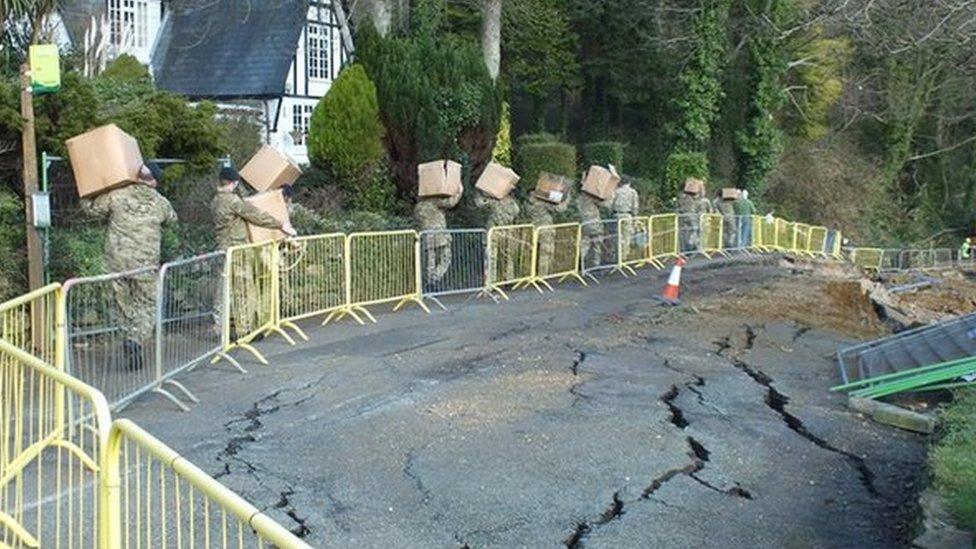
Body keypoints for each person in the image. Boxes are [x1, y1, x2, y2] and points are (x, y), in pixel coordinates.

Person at [80, 162, 177, 370]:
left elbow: (91, 210)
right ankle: (136, 338)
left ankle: (127, 334)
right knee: (147, 303)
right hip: (145, 263)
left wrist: (88, 190)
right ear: (155, 181)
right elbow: (172, 220)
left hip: (116, 261)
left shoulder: (116, 196)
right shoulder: (161, 203)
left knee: (121, 303)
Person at [211, 167, 295, 339]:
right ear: (233, 184)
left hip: (223, 249)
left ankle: (220, 329)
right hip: (238, 250)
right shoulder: (233, 201)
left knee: (224, 292)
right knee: (243, 290)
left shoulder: (216, 201)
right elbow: (255, 214)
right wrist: (280, 224)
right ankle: (245, 332)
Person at [415, 184, 464, 283]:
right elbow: (451, 202)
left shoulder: (418, 207)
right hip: (440, 234)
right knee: (446, 257)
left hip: (426, 235)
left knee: (430, 260)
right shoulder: (434, 202)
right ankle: (435, 277)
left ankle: (429, 281)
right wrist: (459, 190)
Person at [474, 187, 520, 281]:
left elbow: (479, 204)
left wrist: (479, 194)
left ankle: (491, 280)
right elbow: (517, 212)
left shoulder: (494, 202)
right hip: (507, 232)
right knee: (507, 256)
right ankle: (508, 279)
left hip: (493, 232)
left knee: (491, 256)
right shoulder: (512, 204)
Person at [528, 185, 572, 277]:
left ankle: (534, 274)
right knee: (545, 253)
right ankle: (542, 276)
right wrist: (567, 198)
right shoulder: (541, 203)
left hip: (534, 230)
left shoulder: (528, 203)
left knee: (535, 253)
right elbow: (560, 209)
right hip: (545, 230)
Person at [578, 187, 614, 270]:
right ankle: (596, 264)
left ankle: (580, 261)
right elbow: (606, 205)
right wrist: (610, 195)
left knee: (585, 242)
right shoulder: (591, 197)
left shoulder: (580, 197)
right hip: (593, 222)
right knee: (597, 242)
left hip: (583, 222)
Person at [676, 178, 710, 253]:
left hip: (686, 216)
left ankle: (687, 248)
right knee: (693, 230)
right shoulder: (687, 197)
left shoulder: (683, 196)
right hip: (690, 217)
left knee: (687, 232)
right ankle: (690, 247)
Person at [612, 176, 641, 261]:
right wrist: (635, 217)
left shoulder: (616, 191)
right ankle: (624, 257)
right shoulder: (633, 192)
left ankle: (617, 257)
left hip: (616, 215)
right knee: (626, 237)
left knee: (617, 237)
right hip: (627, 215)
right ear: (629, 182)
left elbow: (611, 204)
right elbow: (635, 206)